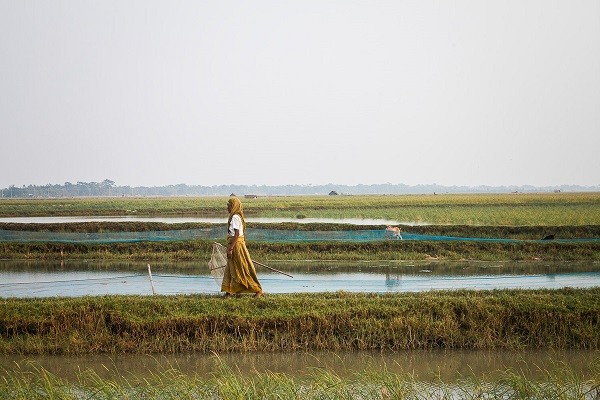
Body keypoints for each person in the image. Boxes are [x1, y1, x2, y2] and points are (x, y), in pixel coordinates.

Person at [221, 197, 264, 298]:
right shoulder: (234, 217)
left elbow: (236, 234)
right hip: (235, 244)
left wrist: (231, 248)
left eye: (229, 205)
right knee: (231, 268)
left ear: (233, 206)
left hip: (236, 246)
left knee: (242, 267)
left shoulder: (235, 217)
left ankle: (257, 290)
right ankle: (229, 291)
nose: (227, 207)